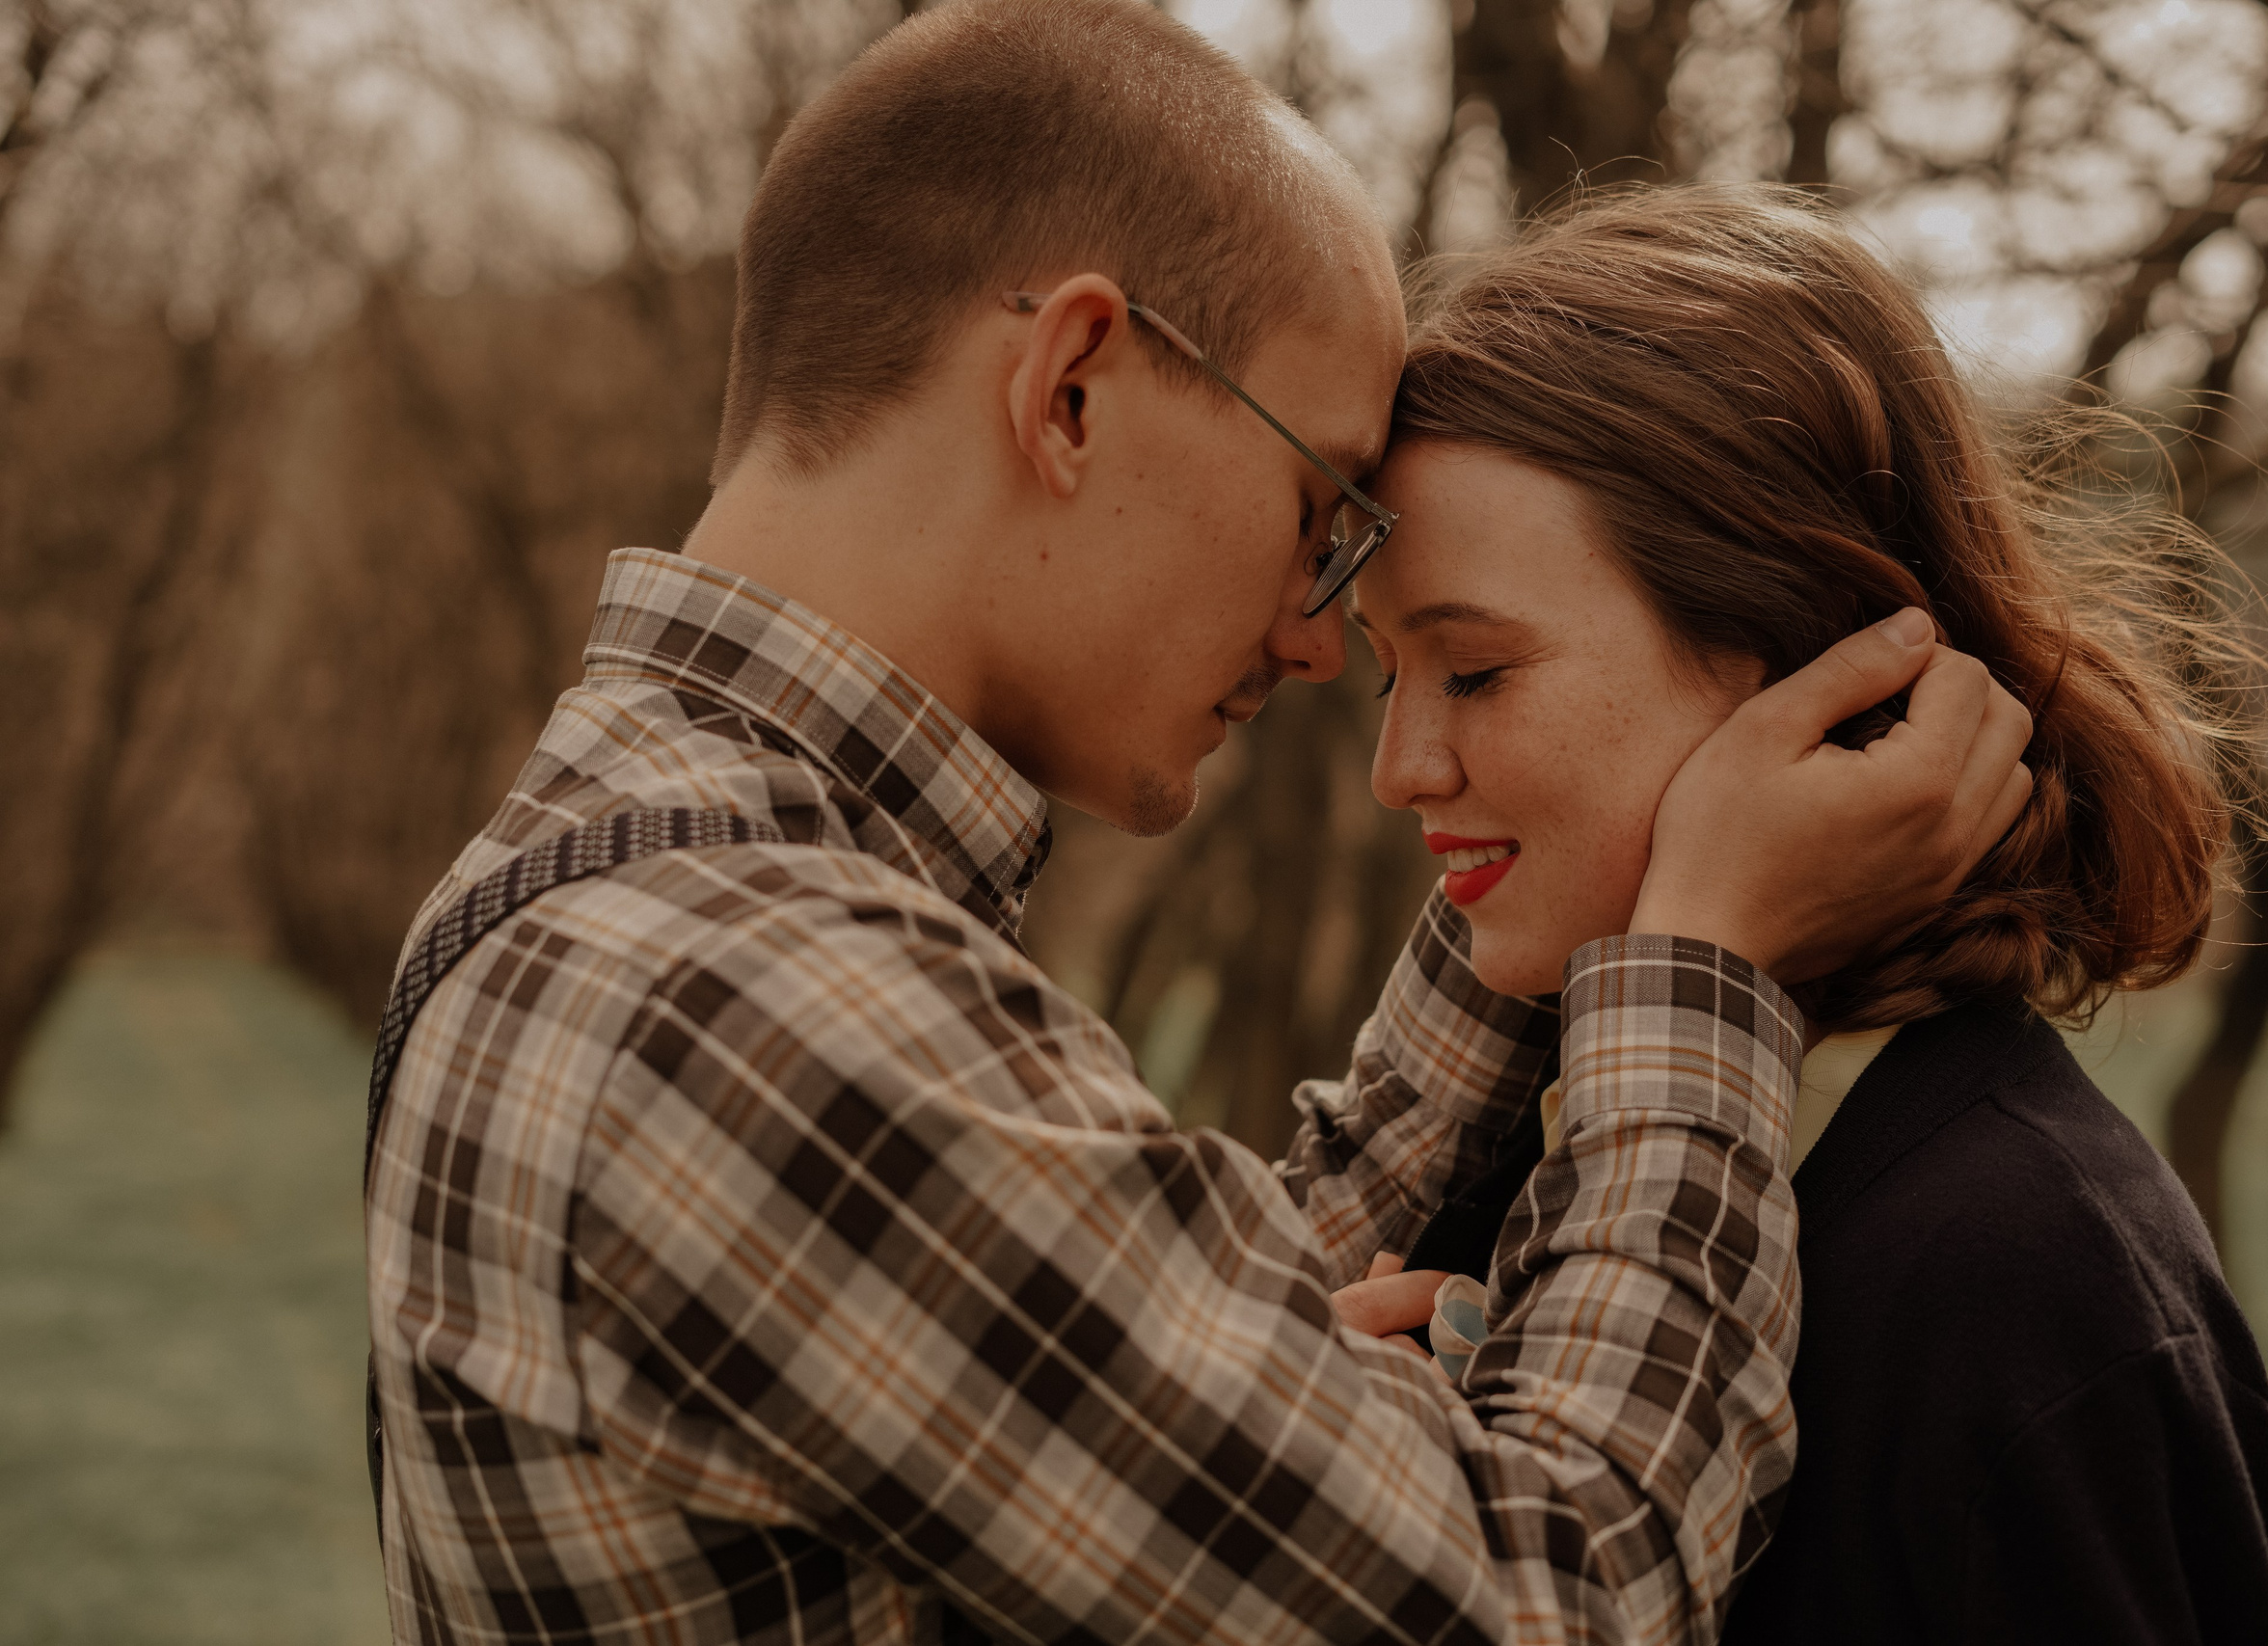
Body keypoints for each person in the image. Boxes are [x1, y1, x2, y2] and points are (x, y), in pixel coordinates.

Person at [360, 6, 2034, 1642]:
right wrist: (1702, 967)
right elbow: (1559, 1594)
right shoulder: (751, 1003)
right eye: (1321, 507)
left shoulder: (654, 890)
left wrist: (1312, 1392)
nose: (1318, 639)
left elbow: (1071, 1341)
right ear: (1074, 384)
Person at [1351, 183, 2268, 1644]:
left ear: (1795, 663)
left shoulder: (2019, 1272)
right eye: (1383, 673)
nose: (1399, 767)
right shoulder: (1535, 1171)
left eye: (1473, 673)